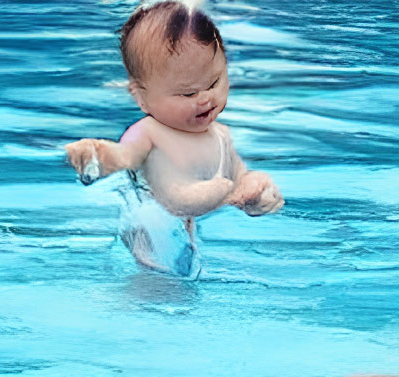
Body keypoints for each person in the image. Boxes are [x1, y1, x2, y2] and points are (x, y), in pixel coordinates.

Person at [61, 1, 281, 260]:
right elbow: (124, 156)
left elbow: (238, 177)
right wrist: (97, 156)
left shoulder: (219, 136)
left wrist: (255, 196)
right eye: (188, 92)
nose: (205, 99)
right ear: (142, 98)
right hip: (144, 261)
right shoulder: (149, 133)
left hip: (181, 256)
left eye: (214, 82)